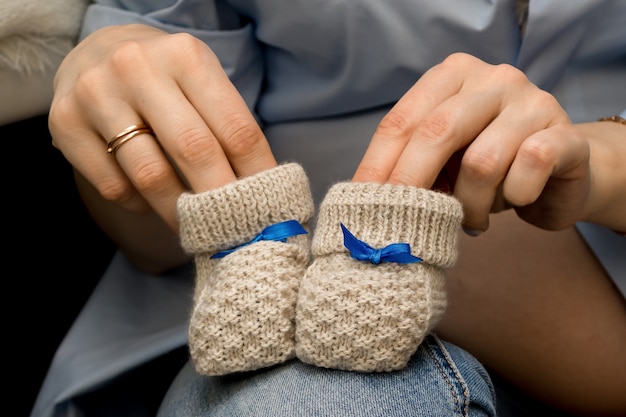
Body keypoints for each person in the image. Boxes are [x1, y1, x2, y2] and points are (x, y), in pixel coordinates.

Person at [38, 0, 625, 416]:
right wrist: (111, 74)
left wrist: (605, 160)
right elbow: (151, 237)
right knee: (311, 401)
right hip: (234, 341)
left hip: (592, 318)